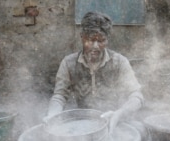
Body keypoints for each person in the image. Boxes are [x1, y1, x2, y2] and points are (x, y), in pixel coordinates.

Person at [45, 11, 150, 141]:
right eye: (90, 40)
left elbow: (137, 97)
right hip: (83, 126)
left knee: (142, 130)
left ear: (107, 40)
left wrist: (119, 114)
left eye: (101, 40)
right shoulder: (68, 63)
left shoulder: (119, 62)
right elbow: (59, 96)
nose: (95, 46)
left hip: (115, 121)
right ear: (82, 37)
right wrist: (53, 116)